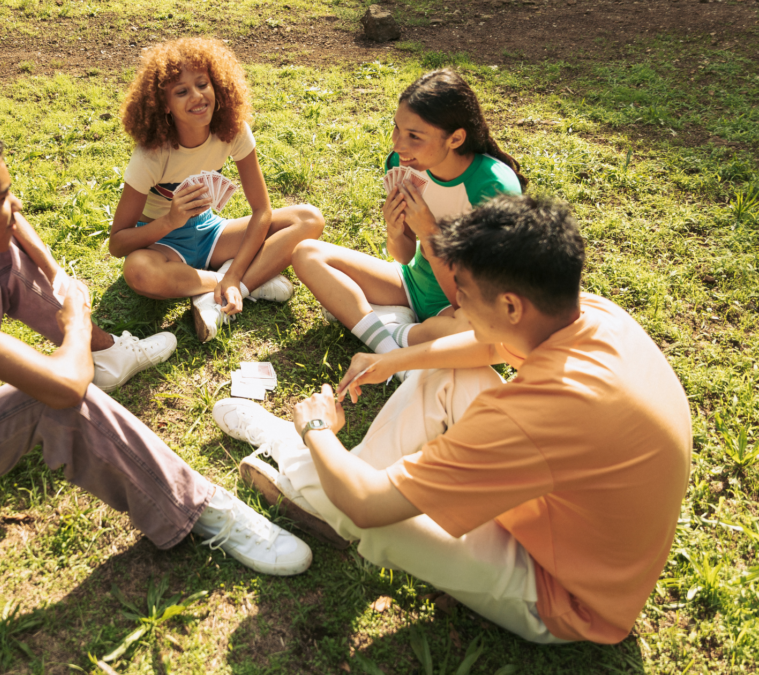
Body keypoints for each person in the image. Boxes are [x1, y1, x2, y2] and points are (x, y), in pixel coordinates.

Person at [0, 127, 312, 576]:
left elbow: (13, 229)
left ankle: (108, 355)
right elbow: (62, 388)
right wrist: (74, 320)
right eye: (5, 196)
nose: (15, 205)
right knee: (55, 399)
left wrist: (57, 277)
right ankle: (201, 510)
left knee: (2, 253)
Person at [212, 195, 691, 642]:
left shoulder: (534, 414)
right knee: (442, 369)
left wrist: (315, 429)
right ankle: (323, 483)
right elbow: (490, 344)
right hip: (568, 523)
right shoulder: (592, 315)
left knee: (367, 514)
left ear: (509, 305)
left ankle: (292, 455)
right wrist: (393, 361)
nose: (455, 304)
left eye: (463, 292)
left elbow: (367, 504)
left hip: (563, 598)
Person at [292, 69, 525, 356]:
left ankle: (386, 327)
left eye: (414, 136)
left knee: (480, 333)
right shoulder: (403, 166)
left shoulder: (494, 187)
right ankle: (388, 343)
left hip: (460, 305)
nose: (398, 145)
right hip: (409, 284)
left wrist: (430, 234)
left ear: (455, 138)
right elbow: (402, 256)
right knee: (307, 253)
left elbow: (469, 302)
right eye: (397, 129)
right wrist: (394, 228)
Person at [110, 37, 324, 342]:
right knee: (138, 271)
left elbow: (262, 210)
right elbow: (117, 244)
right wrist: (170, 221)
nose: (197, 97)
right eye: (181, 92)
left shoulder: (232, 130)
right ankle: (235, 282)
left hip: (211, 232)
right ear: (164, 106)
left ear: (217, 86)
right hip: (161, 243)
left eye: (202, 84)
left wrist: (236, 276)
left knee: (308, 219)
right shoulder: (151, 155)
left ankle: (234, 286)